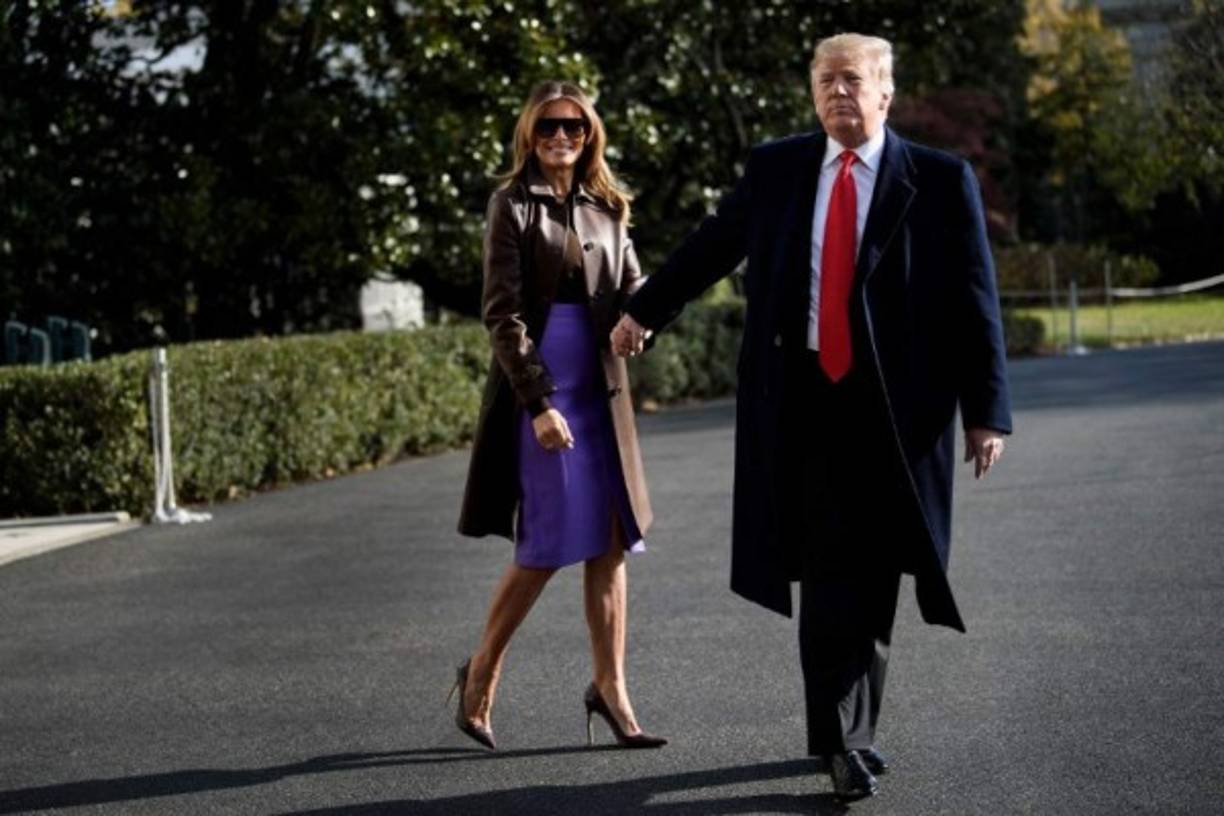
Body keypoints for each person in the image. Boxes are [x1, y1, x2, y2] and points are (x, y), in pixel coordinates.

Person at [612, 33, 1011, 801]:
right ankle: (841, 741)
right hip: (805, 400)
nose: (838, 93)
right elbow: (712, 246)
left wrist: (985, 412)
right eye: (826, 80)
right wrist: (643, 310)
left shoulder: (937, 178)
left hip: (900, 411)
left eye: (852, 80)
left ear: (885, 92)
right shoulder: (779, 169)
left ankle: (849, 730)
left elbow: (975, 297)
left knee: (879, 570)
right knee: (830, 569)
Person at [454, 80, 666, 752]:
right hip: (543, 389)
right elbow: (502, 315)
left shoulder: (609, 204)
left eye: (574, 126)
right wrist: (539, 403)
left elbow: (633, 283)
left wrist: (644, 316)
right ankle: (481, 671)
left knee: (610, 543)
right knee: (545, 545)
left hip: (604, 390)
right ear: (529, 133)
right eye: (548, 126)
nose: (561, 137)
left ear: (589, 134)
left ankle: (611, 689)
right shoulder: (511, 204)